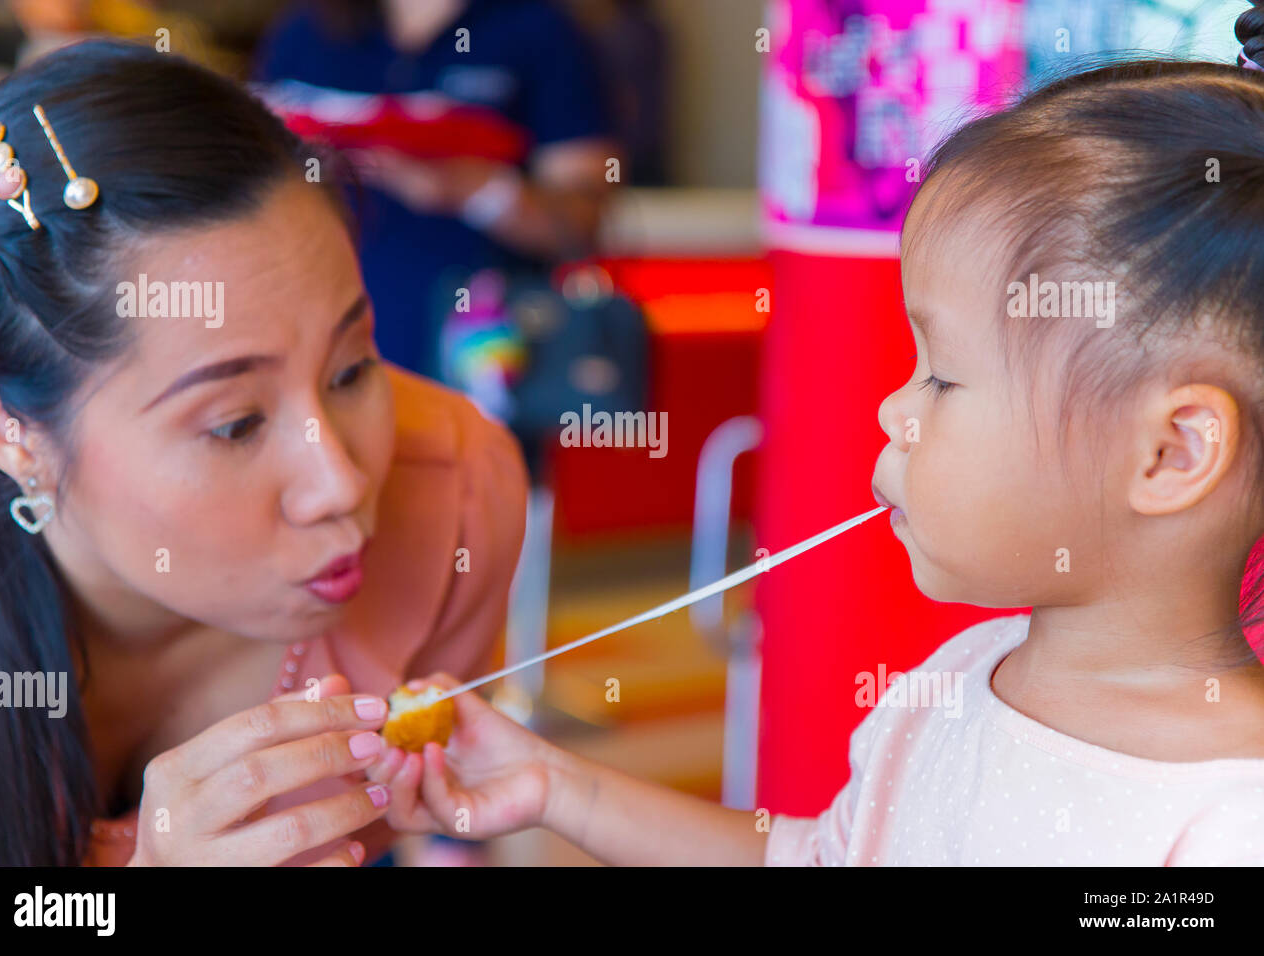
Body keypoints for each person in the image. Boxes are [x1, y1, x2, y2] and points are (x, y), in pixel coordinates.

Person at [370, 28, 1264, 865]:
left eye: (943, 378)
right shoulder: (958, 678)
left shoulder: (1230, 818)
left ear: (1171, 453)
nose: (890, 411)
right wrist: (555, 786)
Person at [0, 39, 526, 866]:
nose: (342, 480)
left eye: (352, 369)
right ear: (8, 432)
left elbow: (430, 825)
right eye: (234, 423)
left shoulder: (452, 495)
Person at [251, 0, 616, 376]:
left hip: (483, 357)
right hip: (325, 352)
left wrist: (477, 190)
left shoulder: (541, 30)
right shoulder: (307, 28)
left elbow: (583, 222)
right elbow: (254, 187)